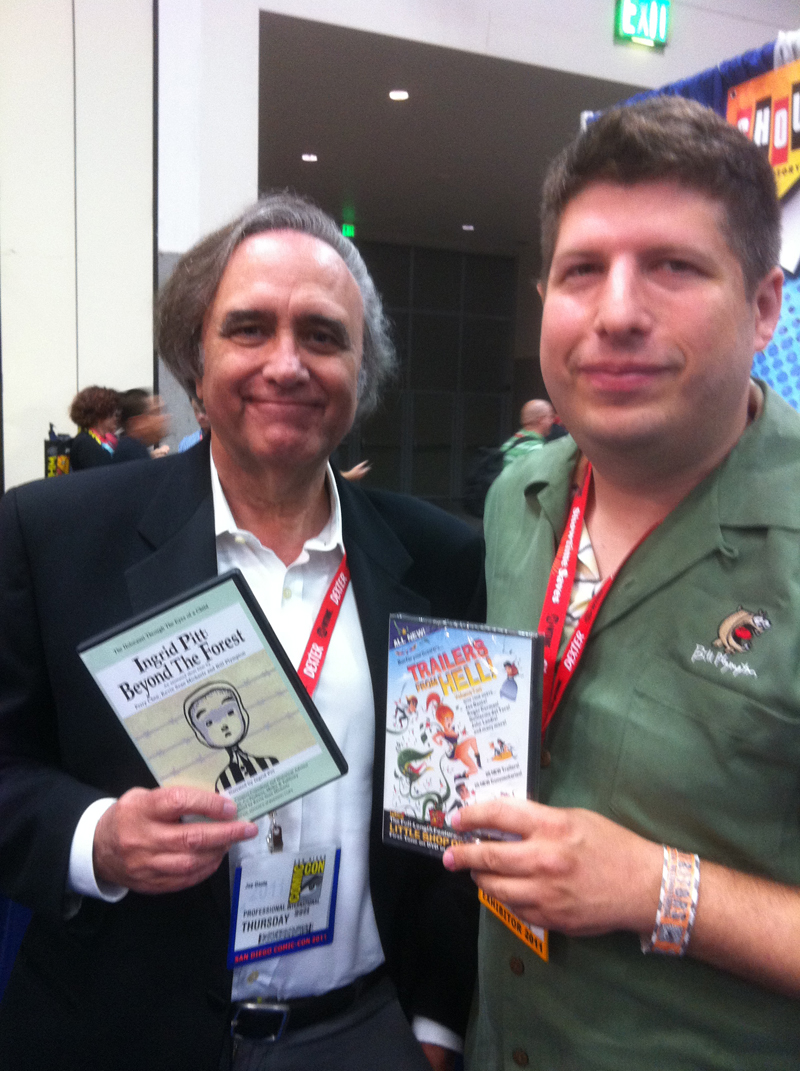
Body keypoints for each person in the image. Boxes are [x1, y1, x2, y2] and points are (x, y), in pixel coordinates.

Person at [0, 194, 485, 1071]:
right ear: (195, 359)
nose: (287, 364)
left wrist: (437, 1027)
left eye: (324, 336)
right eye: (250, 328)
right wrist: (96, 836)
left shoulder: (443, 558)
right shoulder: (56, 536)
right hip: (120, 1033)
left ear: (360, 371)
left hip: (361, 1035)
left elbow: (451, 811)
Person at [443, 97, 800, 1069]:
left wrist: (657, 889)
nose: (614, 313)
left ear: (762, 305)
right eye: (581, 271)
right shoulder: (517, 495)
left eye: (673, 267)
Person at [112, 388, 171, 463]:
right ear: (137, 422)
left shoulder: (131, 449)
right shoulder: (133, 453)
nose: (164, 417)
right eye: (156, 412)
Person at [68, 384, 119, 469]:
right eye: (112, 412)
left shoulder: (109, 440)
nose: (116, 417)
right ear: (100, 414)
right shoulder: (85, 443)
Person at [499, 399, 555, 467]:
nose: (553, 421)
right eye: (550, 417)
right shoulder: (537, 449)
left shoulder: (509, 443)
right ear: (541, 420)